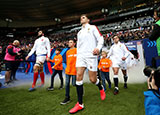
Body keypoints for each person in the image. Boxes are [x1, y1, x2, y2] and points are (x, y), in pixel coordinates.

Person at [69, 14, 105, 114]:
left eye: (84, 17)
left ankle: (100, 87)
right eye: (80, 17)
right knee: (78, 76)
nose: (81, 18)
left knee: (92, 79)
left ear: (88, 20)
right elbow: (79, 46)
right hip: (81, 56)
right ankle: (80, 104)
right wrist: (78, 55)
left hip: (91, 56)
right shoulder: (79, 32)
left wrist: (98, 48)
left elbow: (101, 38)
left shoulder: (93, 28)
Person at [60, 38, 77, 105]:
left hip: (75, 70)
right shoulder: (67, 52)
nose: (69, 43)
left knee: (74, 84)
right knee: (67, 84)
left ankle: (81, 90)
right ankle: (67, 98)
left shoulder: (77, 50)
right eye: (69, 42)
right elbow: (67, 61)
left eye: (71, 42)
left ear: (74, 44)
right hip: (68, 70)